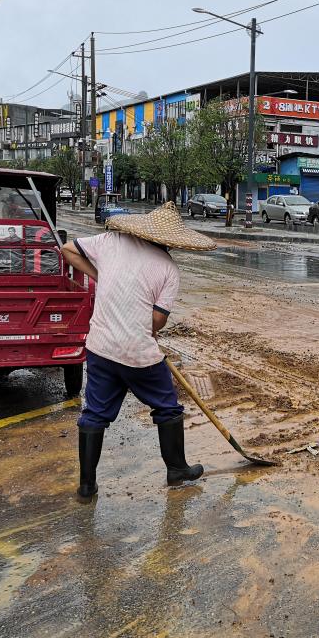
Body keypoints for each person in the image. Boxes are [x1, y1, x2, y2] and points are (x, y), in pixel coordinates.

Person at [61, 201, 217, 500]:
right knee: (167, 407)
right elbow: (156, 321)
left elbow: (68, 250)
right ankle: (177, 469)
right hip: (137, 354)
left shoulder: (111, 241)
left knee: (94, 413)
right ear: (169, 240)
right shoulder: (168, 269)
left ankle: (86, 486)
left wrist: (100, 276)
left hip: (100, 347)